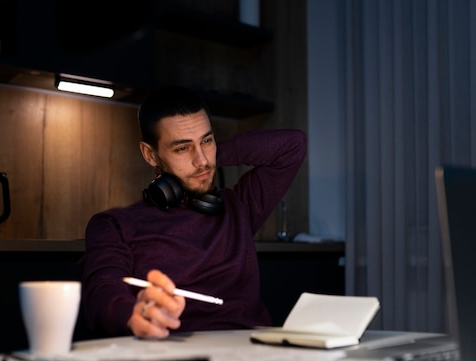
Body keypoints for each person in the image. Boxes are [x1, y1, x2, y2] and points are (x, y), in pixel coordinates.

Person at [78, 86, 307, 339]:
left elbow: (292, 145)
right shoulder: (114, 225)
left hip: (254, 351)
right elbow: (101, 292)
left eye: (207, 140)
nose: (202, 161)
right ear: (150, 154)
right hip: (177, 354)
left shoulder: (237, 207)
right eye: (182, 148)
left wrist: (213, 154)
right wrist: (134, 313)